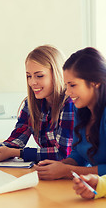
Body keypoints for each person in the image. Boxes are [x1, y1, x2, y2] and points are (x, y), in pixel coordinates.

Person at [0, 45, 74, 165]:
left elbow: (62, 154)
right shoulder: (31, 103)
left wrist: (17, 153)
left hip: (73, 176)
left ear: (57, 74)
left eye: (39, 76)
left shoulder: (69, 104)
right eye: (28, 76)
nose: (32, 82)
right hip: (48, 172)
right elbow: (15, 141)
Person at [35, 47, 106, 180]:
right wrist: (57, 167)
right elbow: (78, 155)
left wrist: (67, 170)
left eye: (72, 85)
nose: (67, 92)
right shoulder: (80, 109)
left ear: (95, 82)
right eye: (66, 85)